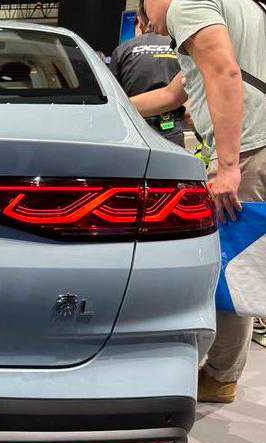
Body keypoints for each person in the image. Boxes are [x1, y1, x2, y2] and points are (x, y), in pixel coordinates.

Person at [132, 0, 266, 403]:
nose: (149, 27)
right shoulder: (239, 5)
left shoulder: (186, 6)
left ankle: (221, 376)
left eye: (145, 16)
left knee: (233, 266)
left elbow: (224, 72)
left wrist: (228, 167)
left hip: (248, 152)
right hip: (258, 146)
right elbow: (174, 93)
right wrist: (111, 108)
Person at [109, 5, 186, 147]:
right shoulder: (181, 49)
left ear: (140, 22)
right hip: (172, 129)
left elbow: (111, 93)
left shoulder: (122, 50)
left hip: (134, 129)